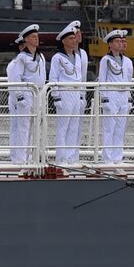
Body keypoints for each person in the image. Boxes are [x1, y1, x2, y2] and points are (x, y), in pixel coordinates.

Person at [49, 21, 87, 164]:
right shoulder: (57, 58)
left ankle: (71, 158)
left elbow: (80, 77)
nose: (74, 40)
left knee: (74, 127)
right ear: (64, 41)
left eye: (74, 38)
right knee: (63, 127)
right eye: (71, 38)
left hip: (76, 94)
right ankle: (61, 158)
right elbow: (53, 77)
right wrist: (56, 97)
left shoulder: (78, 56)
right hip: (64, 93)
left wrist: (82, 95)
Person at [6, 24, 45, 165]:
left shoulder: (40, 56)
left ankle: (30, 156)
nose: (36, 39)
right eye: (33, 37)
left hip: (38, 93)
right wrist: (20, 96)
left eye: (37, 36)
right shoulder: (21, 58)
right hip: (27, 93)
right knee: (23, 127)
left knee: (35, 127)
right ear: (27, 39)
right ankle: (20, 158)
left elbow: (43, 76)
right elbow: (16, 78)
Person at [97, 28, 133, 164]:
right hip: (111, 94)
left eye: (121, 41)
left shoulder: (128, 62)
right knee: (109, 128)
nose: (120, 44)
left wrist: (129, 97)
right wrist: (104, 98)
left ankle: (118, 157)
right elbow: (102, 79)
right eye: (116, 41)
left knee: (120, 128)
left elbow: (129, 80)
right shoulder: (105, 60)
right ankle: (107, 158)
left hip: (123, 94)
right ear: (110, 44)